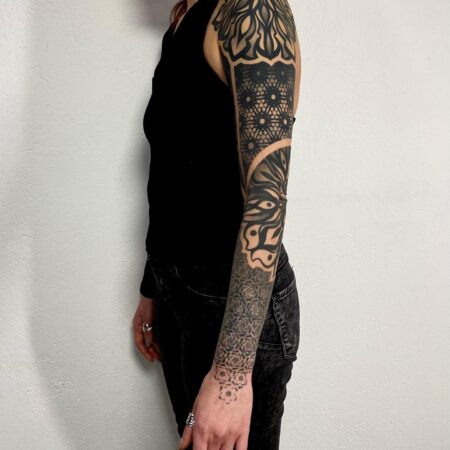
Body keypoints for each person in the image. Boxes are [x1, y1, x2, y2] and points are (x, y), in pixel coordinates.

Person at [132, 0, 301, 447]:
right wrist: (154, 286)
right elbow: (176, 173)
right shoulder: (183, 18)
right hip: (179, 297)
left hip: (235, 308)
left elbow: (267, 198)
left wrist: (230, 374)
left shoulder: (252, 12)